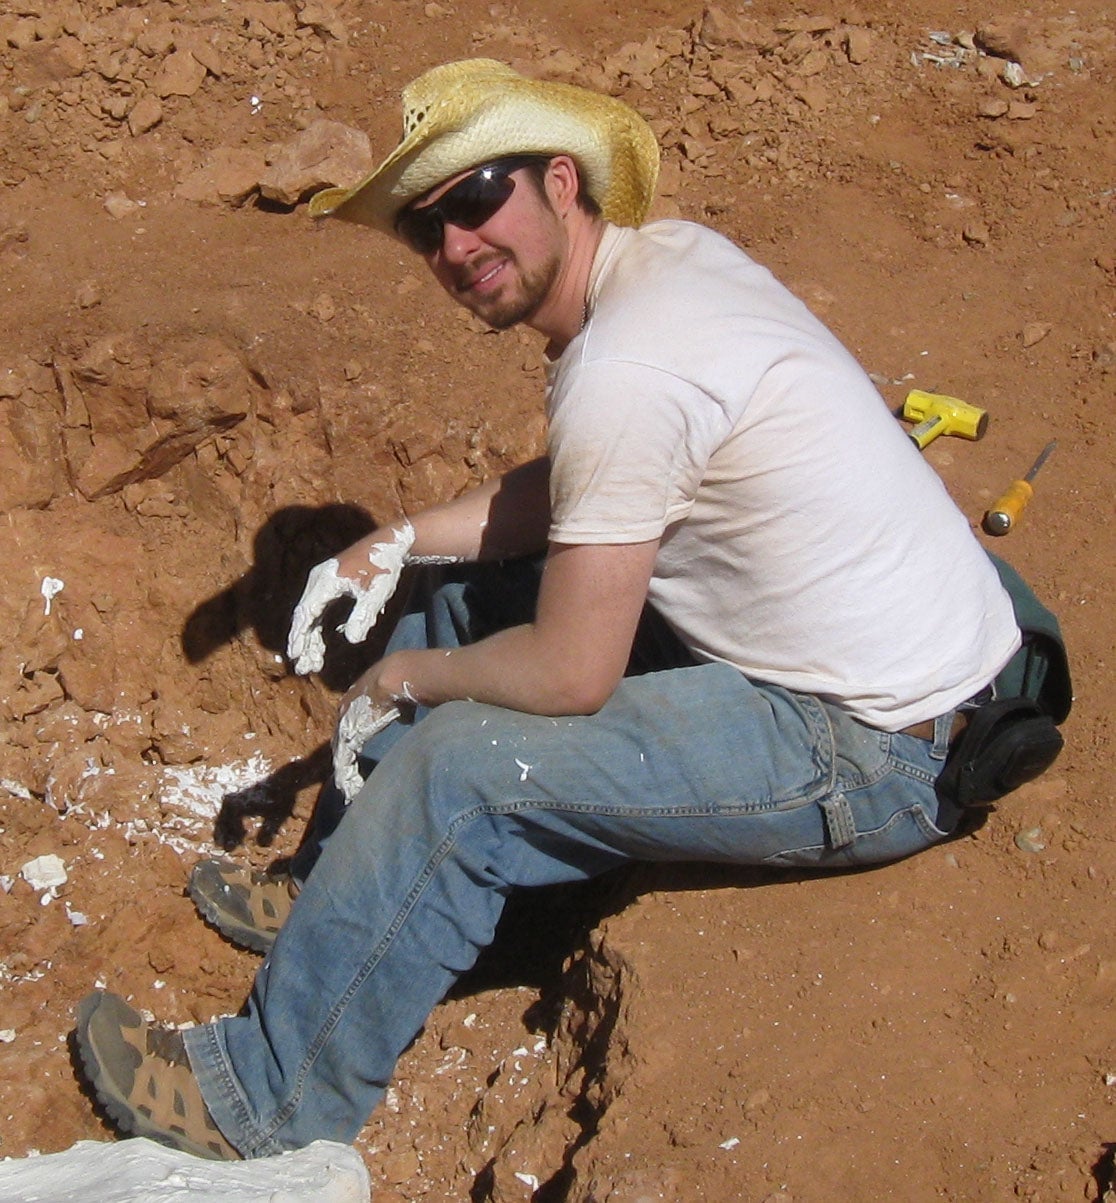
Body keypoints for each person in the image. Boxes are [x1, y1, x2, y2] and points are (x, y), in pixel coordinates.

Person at [75, 58, 1027, 1161]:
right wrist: (397, 542)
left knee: (463, 769)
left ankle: (267, 1100)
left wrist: (400, 679)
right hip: (880, 658)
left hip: (880, 747)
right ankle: (337, 896)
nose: (456, 247)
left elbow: (573, 672)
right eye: (427, 229)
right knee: (462, 606)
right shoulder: (666, 265)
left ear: (561, 185)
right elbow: (586, 485)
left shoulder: (627, 366)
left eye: (477, 199)